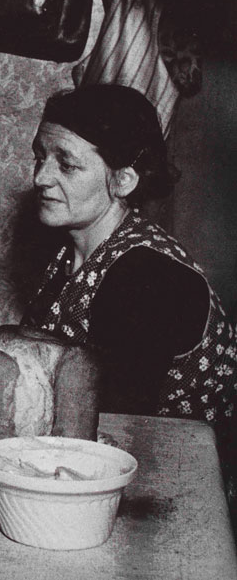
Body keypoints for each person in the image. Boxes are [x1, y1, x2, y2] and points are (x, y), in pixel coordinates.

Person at [22, 83, 236, 429]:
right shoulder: (69, 254)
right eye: (40, 157)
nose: (40, 177)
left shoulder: (148, 275)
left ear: (123, 180)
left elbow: (119, 424)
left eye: (66, 164)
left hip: (170, 462)